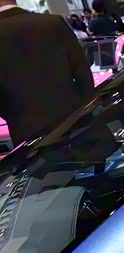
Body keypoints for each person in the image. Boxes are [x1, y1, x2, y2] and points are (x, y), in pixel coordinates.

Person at [0, 0, 95, 145]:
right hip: (74, 124)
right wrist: (83, 112)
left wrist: (16, 117)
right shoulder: (53, 23)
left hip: (27, 132)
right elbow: (83, 74)